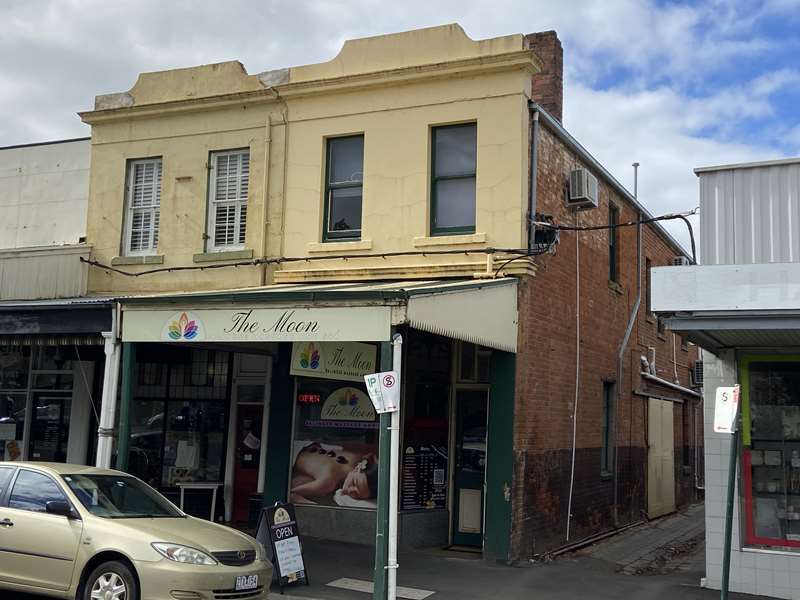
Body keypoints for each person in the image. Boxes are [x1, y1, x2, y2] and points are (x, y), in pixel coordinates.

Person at [290, 442, 377, 502]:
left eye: (357, 495)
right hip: (290, 454)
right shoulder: (327, 483)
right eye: (354, 483)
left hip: (303, 444)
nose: (350, 491)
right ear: (357, 468)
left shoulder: (360, 458)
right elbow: (290, 494)